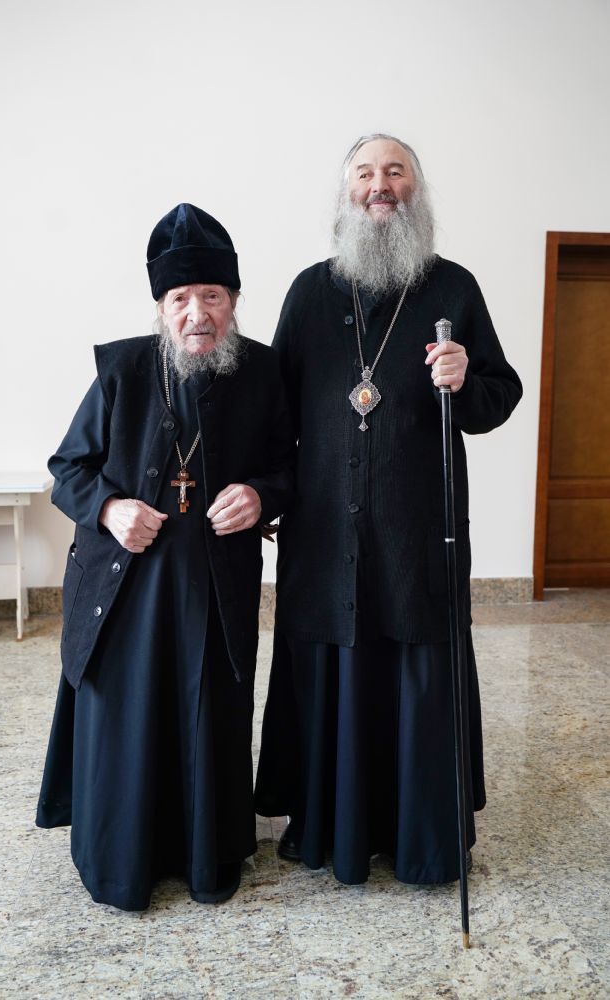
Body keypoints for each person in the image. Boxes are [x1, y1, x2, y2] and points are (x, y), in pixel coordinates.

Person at [255, 134, 522, 887]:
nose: (380, 185)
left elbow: (497, 397)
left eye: (394, 171)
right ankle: (328, 827)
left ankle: (420, 838)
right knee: (333, 670)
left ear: (415, 189)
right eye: (366, 173)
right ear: (346, 192)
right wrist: (264, 489)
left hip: (415, 537)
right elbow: (274, 414)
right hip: (324, 535)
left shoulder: (453, 289)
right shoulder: (310, 291)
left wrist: (466, 378)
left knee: (414, 671)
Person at [36, 203, 293, 910]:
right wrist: (110, 509)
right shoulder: (122, 369)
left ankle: (207, 855)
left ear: (233, 300)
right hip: (125, 587)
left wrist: (260, 495)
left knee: (208, 712)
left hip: (214, 586)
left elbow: (289, 467)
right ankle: (123, 860)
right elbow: (67, 468)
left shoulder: (263, 372)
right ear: (160, 307)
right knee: (130, 717)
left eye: (212, 296)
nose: (197, 315)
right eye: (181, 298)